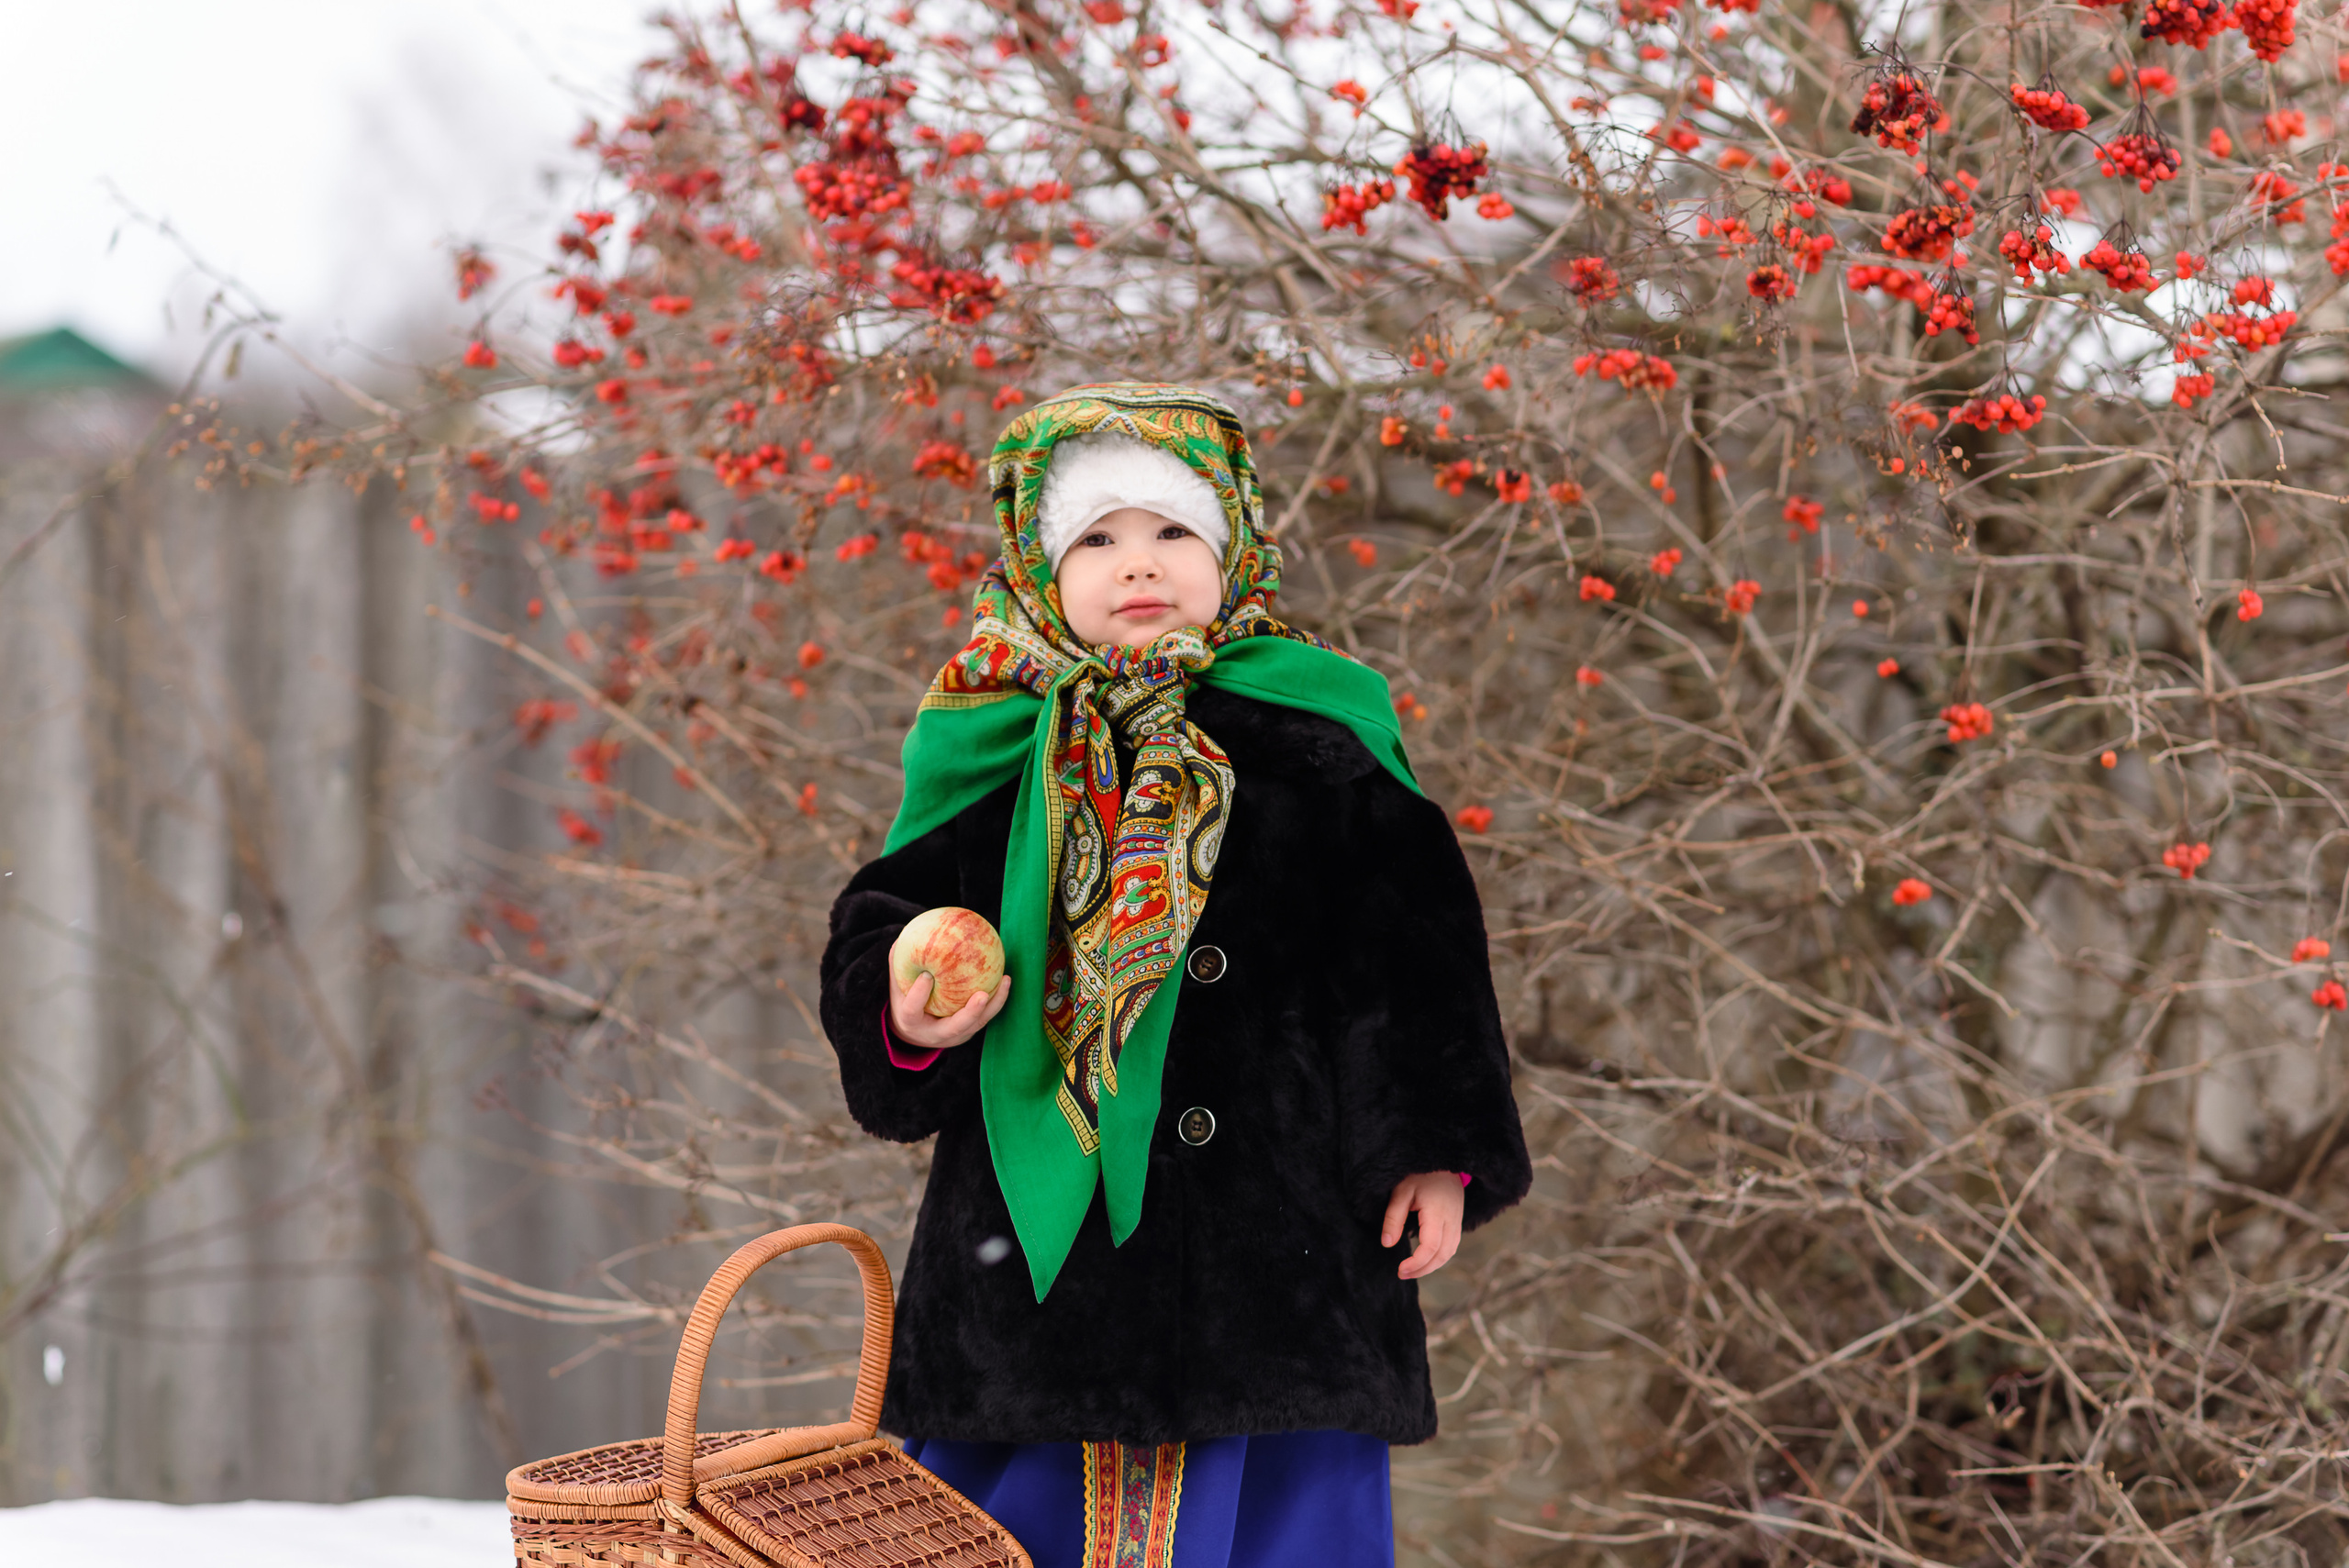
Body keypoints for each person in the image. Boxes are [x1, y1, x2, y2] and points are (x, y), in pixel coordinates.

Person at [818, 382, 1530, 1568]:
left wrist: (1432, 1148)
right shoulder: (993, 745)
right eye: (1095, 537)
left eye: (1170, 532)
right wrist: (902, 999)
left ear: (1232, 547)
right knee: (1003, 1535)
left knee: (1279, 1528)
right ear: (1041, 568)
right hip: (1039, 1285)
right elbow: (885, 920)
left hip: (1281, 1251)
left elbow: (1414, 958)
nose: (1134, 564)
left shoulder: (1320, 734)